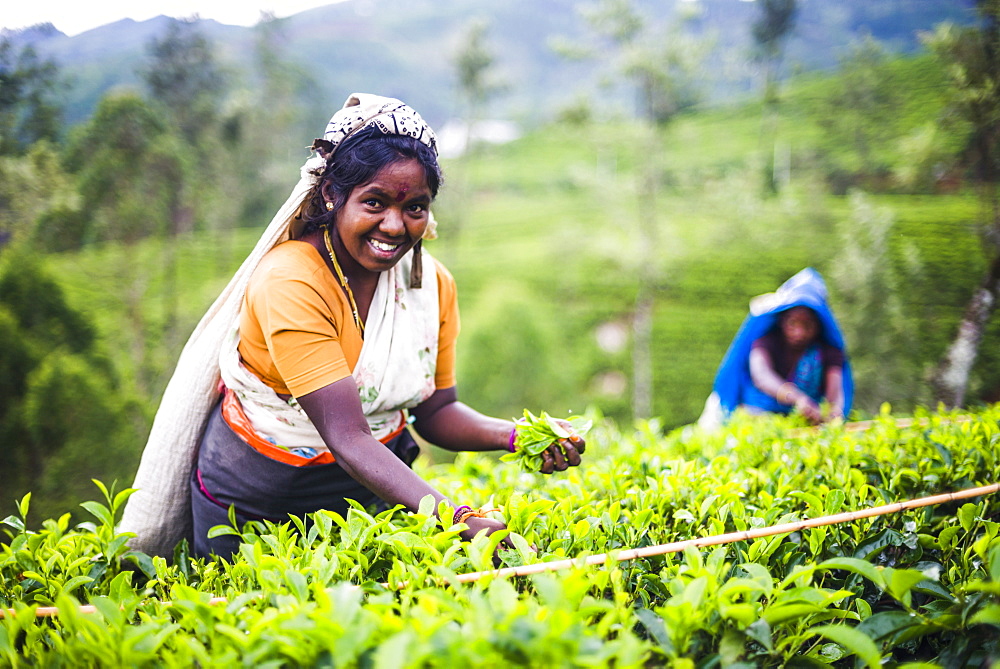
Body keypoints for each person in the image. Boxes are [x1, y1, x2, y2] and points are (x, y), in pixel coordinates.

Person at [119, 94, 585, 559]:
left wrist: (519, 436)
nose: (395, 226)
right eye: (375, 202)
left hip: (370, 491)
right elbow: (347, 436)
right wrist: (457, 518)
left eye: (415, 208)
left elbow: (437, 412)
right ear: (331, 195)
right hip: (257, 500)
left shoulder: (429, 286)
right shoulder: (292, 281)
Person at [698, 267, 853, 429]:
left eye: (807, 325)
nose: (799, 333)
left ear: (819, 325)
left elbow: (835, 397)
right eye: (792, 323)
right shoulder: (767, 341)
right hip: (757, 414)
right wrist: (797, 399)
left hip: (805, 424)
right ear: (782, 321)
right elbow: (762, 376)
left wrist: (830, 415)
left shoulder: (827, 351)